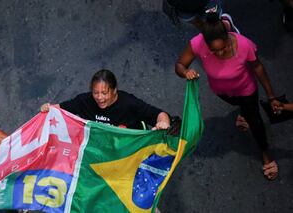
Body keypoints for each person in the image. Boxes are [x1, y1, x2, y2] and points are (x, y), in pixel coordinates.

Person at [175, 12, 281, 180]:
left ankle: (266, 154)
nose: (219, 53)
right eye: (214, 50)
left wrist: (271, 95)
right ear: (206, 44)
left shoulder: (244, 45)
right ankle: (243, 113)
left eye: (223, 47)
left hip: (246, 90)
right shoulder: (197, 43)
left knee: (255, 121)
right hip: (222, 91)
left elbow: (258, 68)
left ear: (228, 37)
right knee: (242, 108)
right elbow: (180, 65)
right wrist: (185, 72)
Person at [40, 69, 170, 131]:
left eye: (104, 93)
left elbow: (160, 115)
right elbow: (61, 109)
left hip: (130, 145)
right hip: (103, 147)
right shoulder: (84, 101)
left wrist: (163, 123)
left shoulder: (129, 103)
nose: (99, 98)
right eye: (95, 92)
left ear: (114, 91)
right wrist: (48, 108)